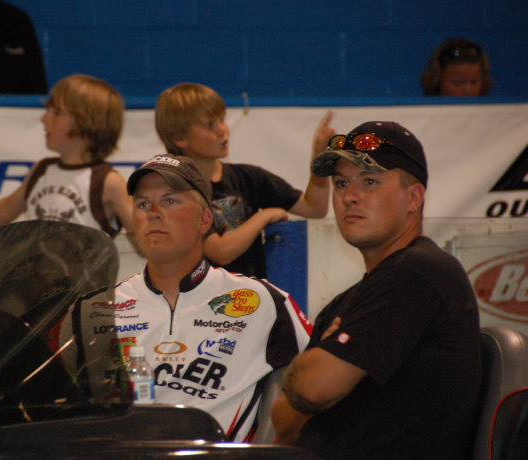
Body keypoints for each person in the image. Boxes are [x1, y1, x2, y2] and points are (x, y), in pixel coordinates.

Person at [57, 154, 313, 442]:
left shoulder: (265, 301)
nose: (153, 213)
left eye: (169, 201)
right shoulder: (91, 309)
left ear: (204, 220)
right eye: (142, 204)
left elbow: (319, 385)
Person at [270, 121, 482, 459]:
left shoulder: (418, 272)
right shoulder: (348, 301)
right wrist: (314, 373)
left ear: (414, 197)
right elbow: (282, 423)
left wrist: (315, 371)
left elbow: (312, 389)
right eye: (340, 183)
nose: (348, 196)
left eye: (369, 181)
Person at [0, 74, 133, 258]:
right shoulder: (42, 171)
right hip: (36, 283)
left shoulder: (108, 182)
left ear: (86, 122)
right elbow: (5, 209)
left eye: (56, 112)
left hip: (86, 286)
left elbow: (141, 234)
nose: (44, 119)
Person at [154, 83, 330, 279]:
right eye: (209, 124)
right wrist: (263, 216)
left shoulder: (248, 178)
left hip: (251, 295)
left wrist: (320, 161)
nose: (222, 130)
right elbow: (221, 252)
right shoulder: (179, 192)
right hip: (201, 295)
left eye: (222, 119)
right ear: (180, 138)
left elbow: (314, 208)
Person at [420, 37, 493, 97]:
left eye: (474, 83)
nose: (468, 91)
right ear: (437, 83)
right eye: (458, 83)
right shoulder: (421, 110)